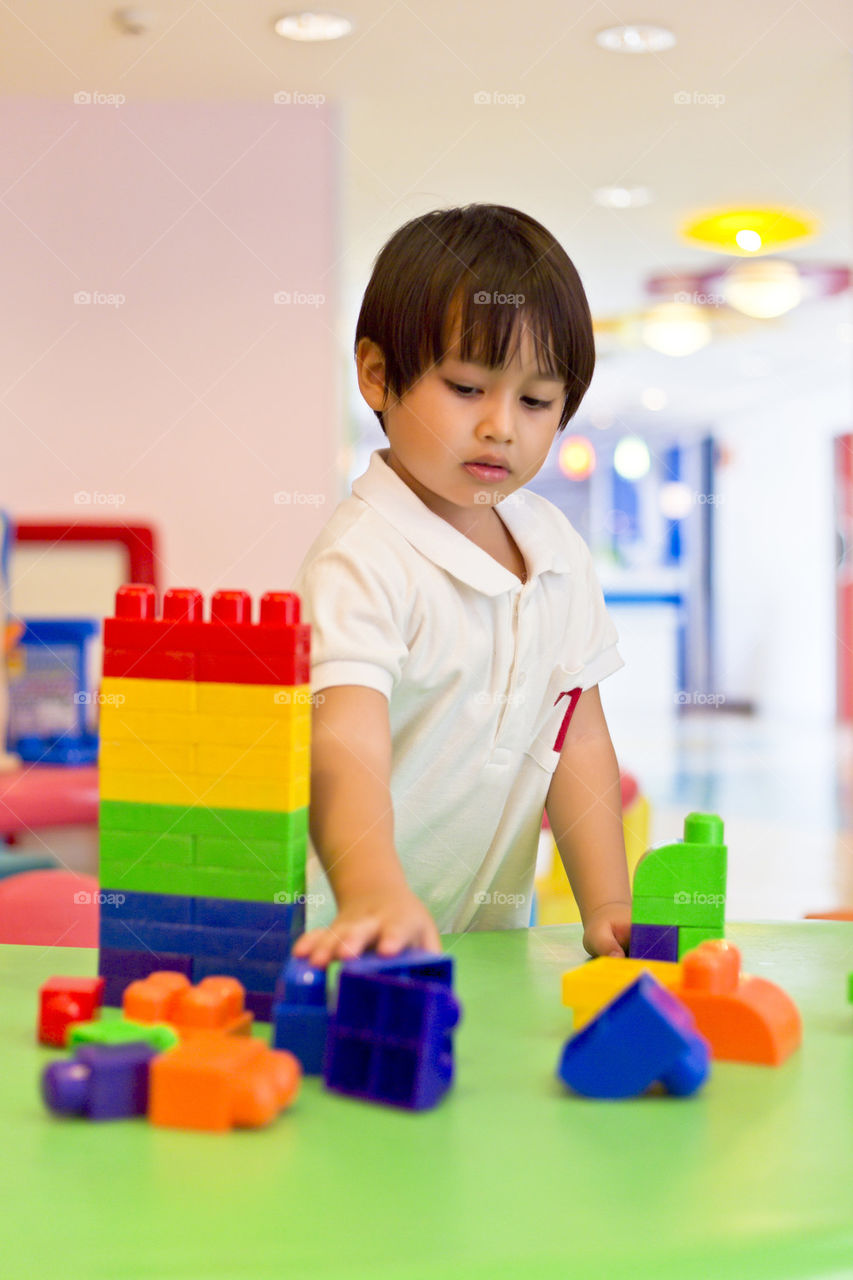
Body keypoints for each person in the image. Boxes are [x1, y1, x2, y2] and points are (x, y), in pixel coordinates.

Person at [291, 203, 631, 969]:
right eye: (468, 387)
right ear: (378, 376)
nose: (501, 426)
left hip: (485, 951)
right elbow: (341, 736)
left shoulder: (556, 550)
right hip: (348, 941)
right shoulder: (362, 557)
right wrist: (371, 890)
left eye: (536, 401)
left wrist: (608, 903)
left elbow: (575, 732)